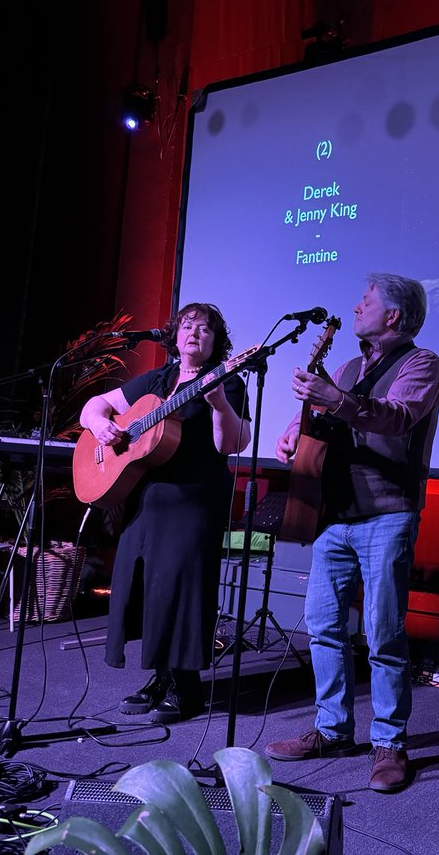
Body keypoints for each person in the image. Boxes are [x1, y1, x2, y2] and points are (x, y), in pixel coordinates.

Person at [265, 273, 439, 794]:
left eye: (366, 301)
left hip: (387, 512)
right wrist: (292, 434)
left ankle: (389, 743)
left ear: (393, 315)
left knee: (383, 632)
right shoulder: (346, 367)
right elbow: (320, 421)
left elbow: (398, 418)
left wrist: (336, 399)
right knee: (324, 627)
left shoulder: (421, 364)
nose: (356, 307)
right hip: (334, 514)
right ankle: (332, 730)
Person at [79, 303, 251, 723]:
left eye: (205, 329)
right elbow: (93, 406)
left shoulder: (227, 380)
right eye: (188, 326)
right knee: (147, 587)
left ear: (216, 342)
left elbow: (230, 444)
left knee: (183, 588)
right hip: (148, 498)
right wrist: (101, 426)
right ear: (174, 335)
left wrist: (219, 405)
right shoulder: (158, 379)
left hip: (194, 499)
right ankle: (161, 678)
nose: (195, 333)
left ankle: (187, 686)